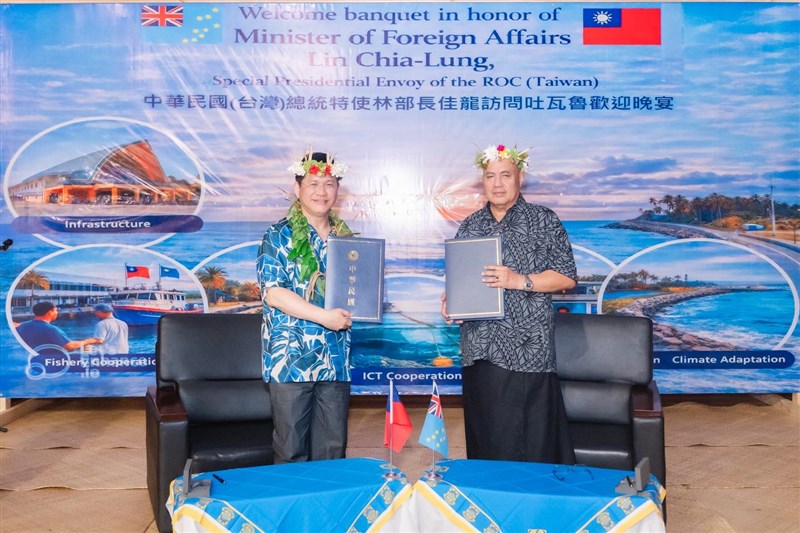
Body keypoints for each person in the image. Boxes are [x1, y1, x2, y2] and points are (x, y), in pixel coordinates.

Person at [441, 143, 577, 464]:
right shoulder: (470, 226)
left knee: (531, 446)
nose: (498, 183)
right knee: (485, 440)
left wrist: (520, 280)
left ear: (520, 178)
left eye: (505, 175)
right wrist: (452, 303)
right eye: (490, 176)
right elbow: (463, 279)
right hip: (480, 351)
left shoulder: (544, 220)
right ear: (483, 181)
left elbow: (566, 277)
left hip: (527, 351)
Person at [257, 151, 354, 464]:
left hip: (335, 358)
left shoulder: (346, 238)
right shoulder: (277, 235)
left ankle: (329, 513)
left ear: (337, 190)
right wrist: (324, 317)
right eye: (313, 184)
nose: (321, 192)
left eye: (329, 184)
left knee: (332, 450)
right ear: (297, 188)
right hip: (291, 360)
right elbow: (275, 294)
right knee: (291, 451)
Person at [16, 301, 100, 353]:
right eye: (56, 310)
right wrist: (87, 341)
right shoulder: (51, 329)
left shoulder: (22, 326)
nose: (57, 312)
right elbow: (69, 346)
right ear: (50, 312)